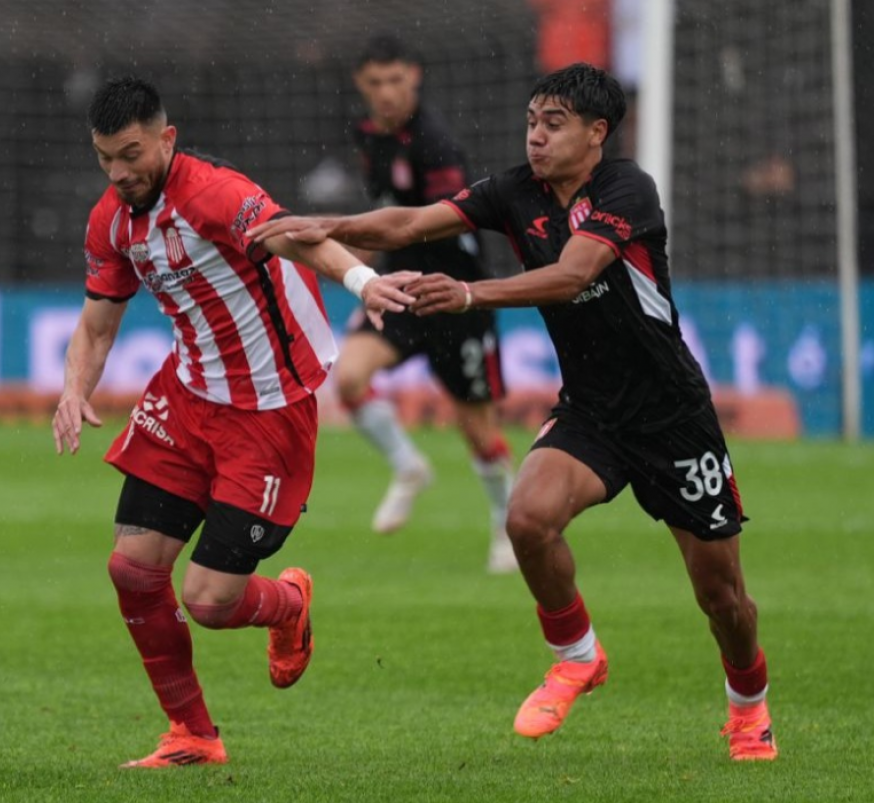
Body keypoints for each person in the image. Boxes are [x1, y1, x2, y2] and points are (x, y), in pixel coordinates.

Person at [249, 63, 777, 761]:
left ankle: (748, 707)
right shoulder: (514, 190)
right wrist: (329, 223)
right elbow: (410, 221)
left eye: (553, 125)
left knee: (723, 598)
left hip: (673, 416)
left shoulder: (627, 189)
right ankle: (577, 655)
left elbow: (572, 275)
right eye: (532, 122)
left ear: (597, 132)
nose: (536, 137)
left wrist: (469, 295)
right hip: (592, 411)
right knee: (526, 517)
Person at [51, 76, 417, 769]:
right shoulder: (110, 220)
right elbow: (97, 324)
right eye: (105, 158)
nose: (119, 172)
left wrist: (365, 285)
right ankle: (191, 733)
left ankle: (287, 603)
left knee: (211, 599)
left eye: (130, 154)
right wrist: (74, 389)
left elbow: (302, 240)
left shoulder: (215, 194)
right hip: (187, 397)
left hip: (269, 410)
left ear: (166, 139)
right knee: (132, 568)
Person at [344, 35, 516, 573]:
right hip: (399, 287)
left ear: (414, 77)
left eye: (396, 80)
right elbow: (385, 213)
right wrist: (358, 269)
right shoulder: (369, 136)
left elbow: (447, 219)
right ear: (361, 85)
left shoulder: (436, 144)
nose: (387, 93)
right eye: (376, 83)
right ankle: (408, 465)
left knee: (478, 430)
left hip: (454, 297)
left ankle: (506, 528)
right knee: (349, 377)